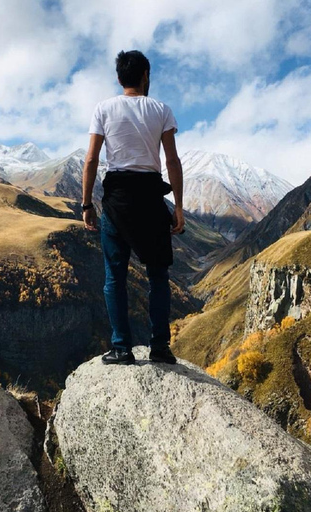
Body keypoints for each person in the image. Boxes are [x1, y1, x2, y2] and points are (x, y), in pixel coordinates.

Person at [81, 49, 185, 366]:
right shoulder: (161, 110)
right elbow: (171, 160)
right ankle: (160, 348)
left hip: (116, 199)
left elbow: (91, 160)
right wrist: (178, 206)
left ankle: (121, 348)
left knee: (115, 277)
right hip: (151, 198)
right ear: (145, 76)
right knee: (157, 276)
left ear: (119, 78)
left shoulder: (103, 108)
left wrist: (86, 204)